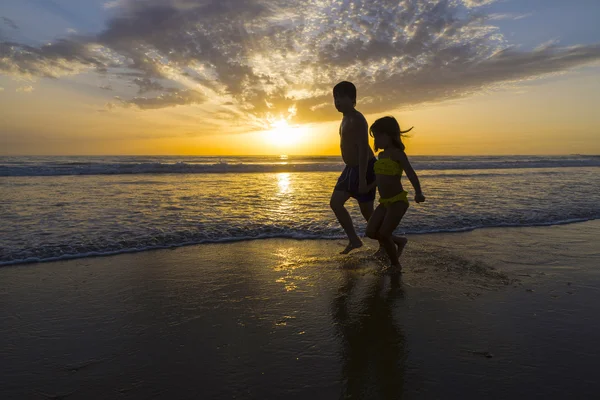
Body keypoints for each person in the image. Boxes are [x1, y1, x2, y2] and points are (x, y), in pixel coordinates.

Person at [366, 116, 425, 272]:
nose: (375, 140)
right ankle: (399, 241)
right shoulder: (381, 156)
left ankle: (395, 265)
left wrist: (418, 192)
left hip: (398, 201)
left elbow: (411, 174)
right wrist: (368, 187)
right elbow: (380, 179)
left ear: (389, 135)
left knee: (384, 234)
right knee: (370, 232)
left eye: (378, 136)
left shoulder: (397, 154)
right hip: (384, 202)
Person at [330, 81, 378, 254]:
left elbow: (364, 150)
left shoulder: (357, 119)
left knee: (368, 214)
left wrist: (364, 179)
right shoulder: (345, 118)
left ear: (353, 99)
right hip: (350, 169)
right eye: (335, 98)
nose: (337, 102)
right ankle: (354, 240)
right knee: (335, 203)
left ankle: (390, 242)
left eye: (341, 98)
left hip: (364, 168)